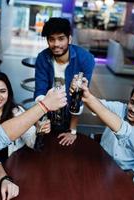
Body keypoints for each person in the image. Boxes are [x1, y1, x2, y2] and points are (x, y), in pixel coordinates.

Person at [34, 17, 95, 146]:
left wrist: (72, 131)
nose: (56, 44)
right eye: (51, 39)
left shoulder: (85, 59)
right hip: (47, 112)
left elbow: (79, 96)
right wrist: (42, 121)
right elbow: (40, 92)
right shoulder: (42, 58)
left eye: (61, 38)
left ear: (70, 39)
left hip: (70, 114)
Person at [0, 72, 51, 162]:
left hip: (9, 170)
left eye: (3, 91)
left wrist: (39, 130)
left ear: (9, 92)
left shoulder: (17, 113)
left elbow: (32, 143)